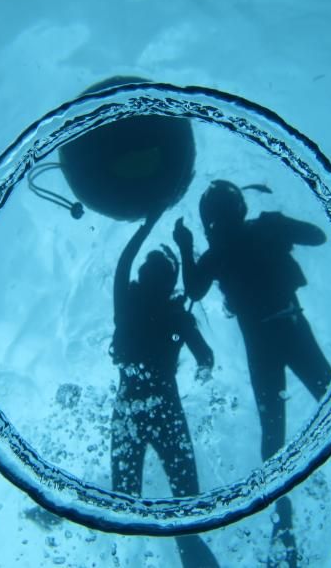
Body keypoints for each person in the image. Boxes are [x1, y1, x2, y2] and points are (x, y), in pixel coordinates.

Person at [173, 180, 331, 567]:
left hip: (262, 344)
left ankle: (283, 523)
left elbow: (193, 289)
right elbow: (318, 236)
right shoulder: (261, 229)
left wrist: (184, 245)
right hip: (292, 329)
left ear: (210, 221)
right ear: (238, 207)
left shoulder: (215, 253)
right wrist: (280, 225)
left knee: (274, 434)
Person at [110, 211, 219, 568]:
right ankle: (186, 549)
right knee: (182, 505)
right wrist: (204, 369)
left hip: (130, 406)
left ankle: (175, 551)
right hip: (164, 407)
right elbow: (206, 357)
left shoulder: (127, 305)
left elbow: (124, 262)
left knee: (126, 505)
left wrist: (146, 226)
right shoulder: (174, 315)